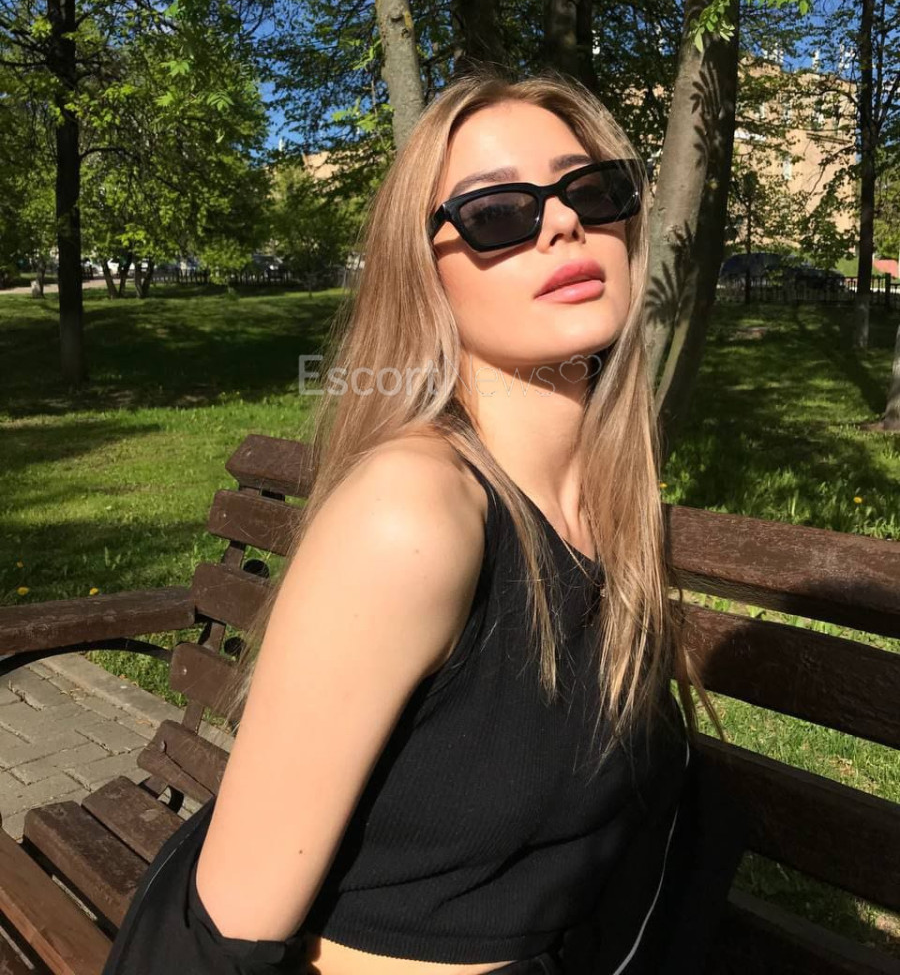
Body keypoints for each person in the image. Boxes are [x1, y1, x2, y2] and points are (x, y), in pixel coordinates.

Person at [102, 72, 747, 975]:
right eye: (497, 213)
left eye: (592, 190)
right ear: (424, 274)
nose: (564, 223)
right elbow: (222, 933)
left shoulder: (610, 512)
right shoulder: (414, 512)